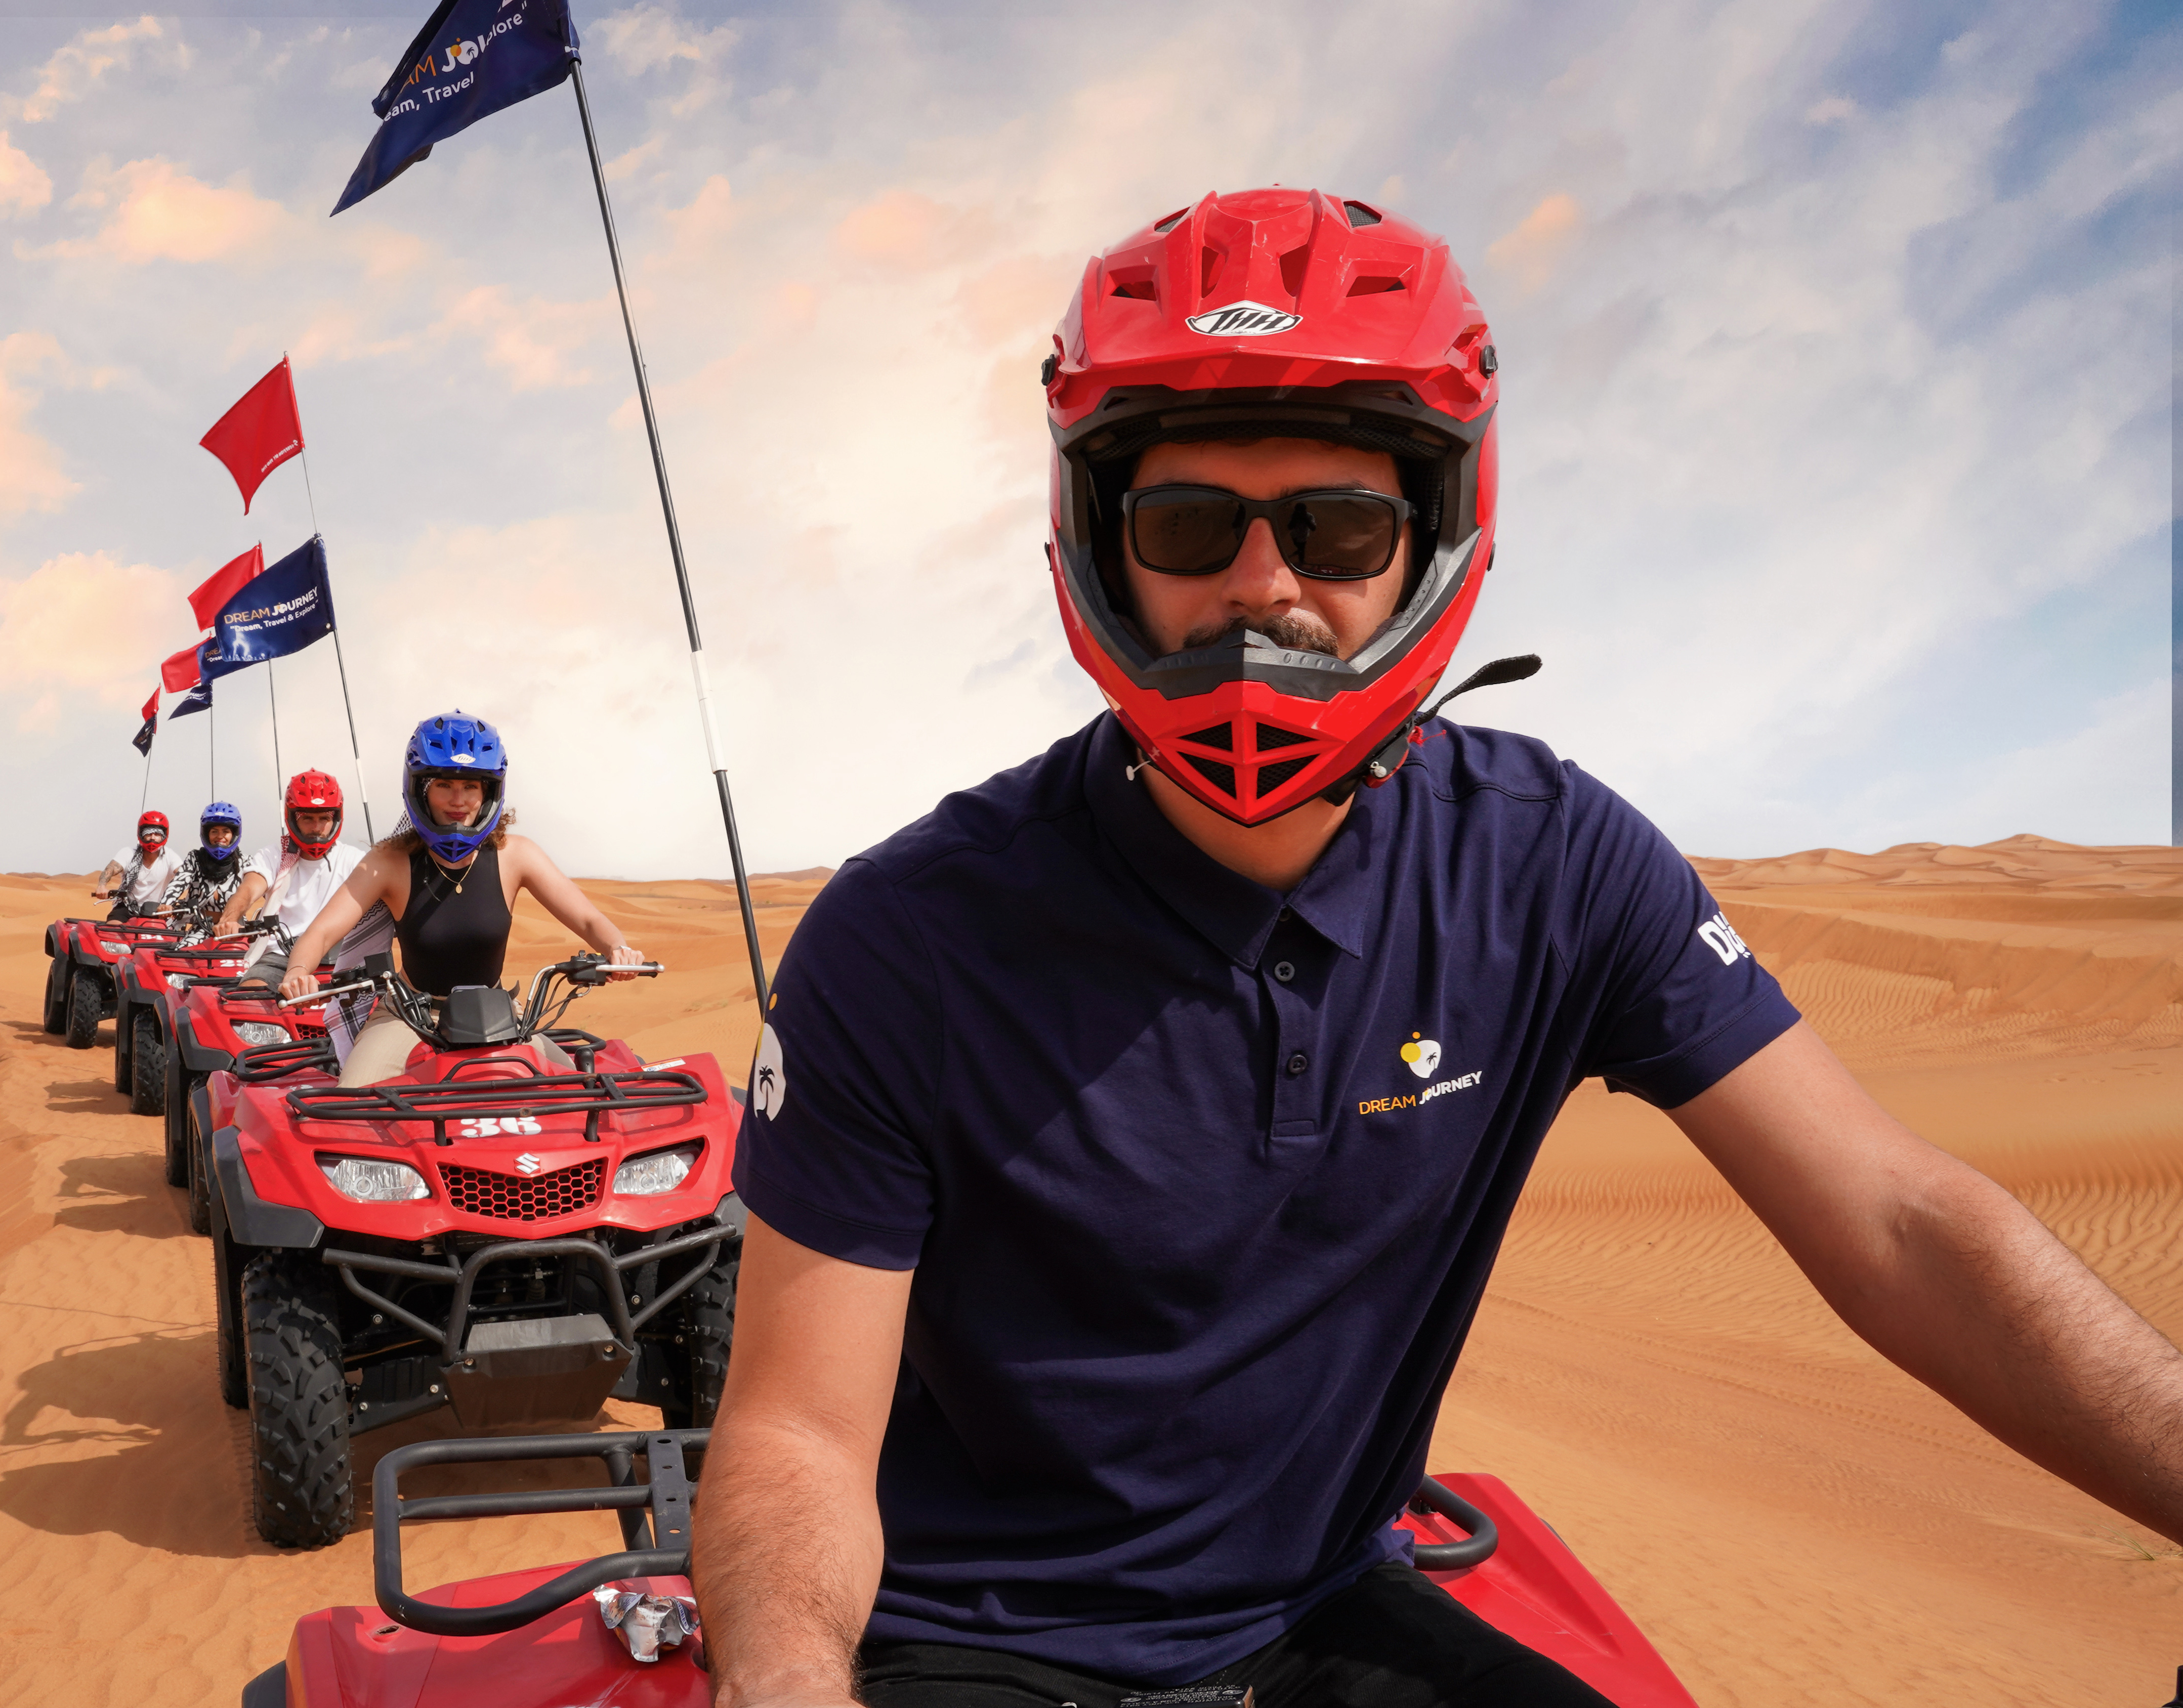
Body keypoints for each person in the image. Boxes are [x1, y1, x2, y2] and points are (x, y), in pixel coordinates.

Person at [691, 188, 2183, 1708]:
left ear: (1427, 542)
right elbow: (796, 1431)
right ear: (1100, 542)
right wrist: (790, 1680)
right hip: (979, 1641)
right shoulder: (904, 937)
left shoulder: (1549, 860)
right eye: (1188, 523)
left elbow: (1903, 1222)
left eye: (1335, 524)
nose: (1264, 584)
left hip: (1322, 1613)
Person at [279, 712, 648, 1086]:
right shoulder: (389, 862)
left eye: (471, 786)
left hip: (499, 1013)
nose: (459, 801)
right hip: (410, 1017)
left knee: (572, 1095)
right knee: (355, 1104)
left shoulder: (515, 855)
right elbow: (323, 932)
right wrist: (298, 974)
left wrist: (618, 948)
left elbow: (587, 919)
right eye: (444, 786)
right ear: (422, 790)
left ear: (489, 791)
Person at [217, 768, 366, 986]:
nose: (316, 828)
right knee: (249, 998)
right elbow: (249, 890)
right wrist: (229, 919)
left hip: (342, 959)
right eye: (307, 818)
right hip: (281, 957)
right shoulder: (275, 854)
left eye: (324, 818)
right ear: (293, 818)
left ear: (335, 818)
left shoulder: (355, 860)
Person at [154, 799, 248, 935]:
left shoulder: (245, 863)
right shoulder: (195, 859)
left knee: (250, 956)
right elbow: (179, 881)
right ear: (206, 834)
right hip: (200, 929)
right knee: (181, 954)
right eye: (214, 831)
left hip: (234, 932)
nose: (220, 837)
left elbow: (260, 888)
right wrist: (166, 904)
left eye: (226, 831)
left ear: (234, 834)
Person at [89, 809, 175, 922]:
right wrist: (102, 886)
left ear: (164, 836)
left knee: (170, 938)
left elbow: (184, 874)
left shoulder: (170, 856)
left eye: (157, 834)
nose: (153, 838)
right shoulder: (129, 853)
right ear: (141, 833)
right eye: (148, 833)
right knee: (113, 930)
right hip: (126, 907)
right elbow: (111, 869)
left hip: (157, 911)